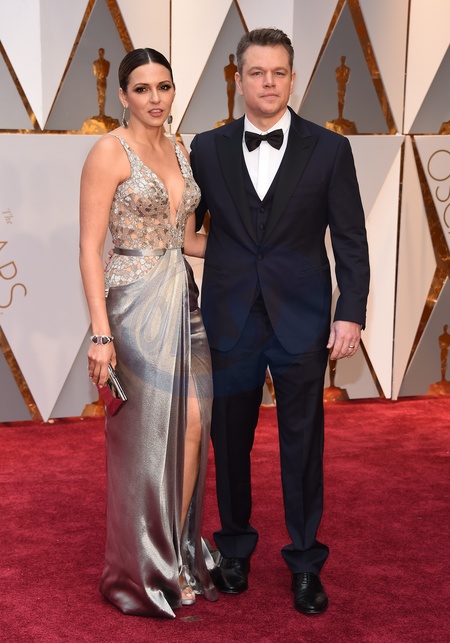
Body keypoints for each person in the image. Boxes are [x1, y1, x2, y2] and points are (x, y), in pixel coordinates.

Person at [190, 28, 370, 615]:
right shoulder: (207, 148)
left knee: (303, 444)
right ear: (238, 79)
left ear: (293, 78)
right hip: (230, 318)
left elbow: (350, 238)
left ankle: (305, 562)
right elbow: (187, 227)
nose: (268, 83)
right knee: (228, 442)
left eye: (279, 72)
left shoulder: (330, 149)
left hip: (303, 320)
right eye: (257, 72)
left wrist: (350, 313)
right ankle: (234, 549)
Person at [79, 47, 218, 618]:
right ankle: (143, 567)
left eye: (164, 86)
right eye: (142, 88)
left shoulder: (181, 149)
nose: (155, 98)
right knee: (148, 440)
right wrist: (100, 334)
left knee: (194, 424)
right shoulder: (109, 152)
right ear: (123, 96)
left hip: (183, 298)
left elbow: (186, 240)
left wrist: (255, 246)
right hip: (133, 306)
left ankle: (175, 554)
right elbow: (89, 248)